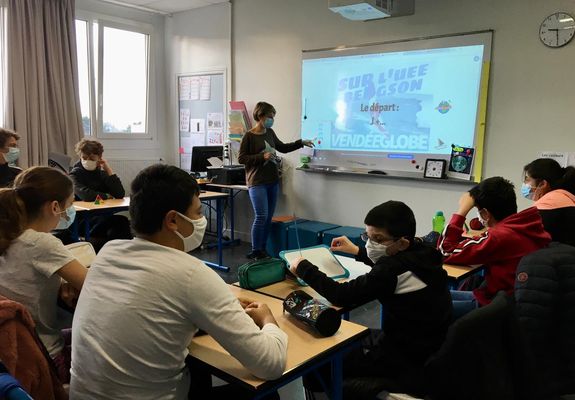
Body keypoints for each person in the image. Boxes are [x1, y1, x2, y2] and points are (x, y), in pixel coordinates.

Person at [70, 164, 288, 400]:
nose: (202, 220)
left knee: (195, 367)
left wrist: (217, 311)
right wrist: (267, 319)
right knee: (267, 395)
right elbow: (270, 363)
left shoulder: (108, 252)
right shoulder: (191, 274)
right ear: (172, 220)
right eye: (198, 213)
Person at [290, 201, 452, 398]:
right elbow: (392, 263)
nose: (369, 244)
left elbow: (340, 295)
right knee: (350, 337)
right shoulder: (424, 251)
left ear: (402, 242)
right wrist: (358, 252)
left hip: (405, 357)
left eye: (378, 239)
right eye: (367, 236)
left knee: (319, 360)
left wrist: (303, 268)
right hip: (429, 345)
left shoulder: (391, 271)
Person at [0, 167, 88, 383]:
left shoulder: (9, 234)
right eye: (69, 205)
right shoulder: (42, 243)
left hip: (11, 351)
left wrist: (63, 282)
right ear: (55, 207)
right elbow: (94, 285)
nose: (69, 213)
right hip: (45, 354)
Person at [438, 176, 551, 318]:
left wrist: (462, 211)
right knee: (434, 294)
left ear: (485, 213)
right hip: (511, 301)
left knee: (427, 306)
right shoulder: (526, 225)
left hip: (497, 308)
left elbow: (445, 252)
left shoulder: (500, 236)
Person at [238, 102, 313, 259]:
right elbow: (242, 158)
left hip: (272, 181)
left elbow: (283, 147)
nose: (272, 119)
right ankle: (255, 249)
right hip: (256, 182)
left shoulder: (270, 132)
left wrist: (301, 143)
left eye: (273, 117)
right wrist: (261, 156)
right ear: (260, 116)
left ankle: (263, 249)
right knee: (261, 215)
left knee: (268, 217)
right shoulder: (249, 136)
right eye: (270, 116)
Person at [68, 139, 131, 250]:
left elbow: (119, 193)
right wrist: (107, 195)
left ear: (99, 158)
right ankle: (118, 255)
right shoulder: (74, 174)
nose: (87, 161)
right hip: (82, 220)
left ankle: (121, 254)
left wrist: (108, 170)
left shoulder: (101, 173)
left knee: (119, 226)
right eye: (84, 158)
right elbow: (86, 196)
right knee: (120, 222)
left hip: (101, 217)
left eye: (92, 158)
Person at [523, 158, 575, 253]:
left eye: (527, 180)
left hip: (561, 264)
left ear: (543, 184)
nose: (525, 184)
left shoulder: (549, 204)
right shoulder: (567, 201)